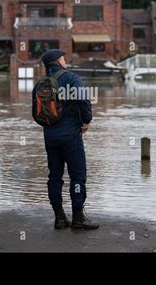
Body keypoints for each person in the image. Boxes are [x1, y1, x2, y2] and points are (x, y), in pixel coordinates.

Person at [33, 49, 99, 230]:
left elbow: (36, 113)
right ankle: (78, 217)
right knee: (77, 176)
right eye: (63, 58)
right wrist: (86, 121)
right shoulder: (71, 78)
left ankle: (60, 218)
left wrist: (50, 127)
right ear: (58, 61)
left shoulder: (40, 83)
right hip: (71, 136)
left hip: (50, 137)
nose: (65, 60)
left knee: (54, 177)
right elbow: (84, 98)